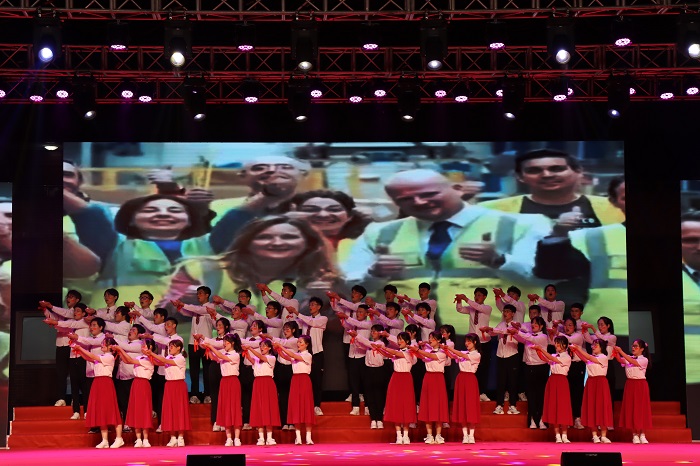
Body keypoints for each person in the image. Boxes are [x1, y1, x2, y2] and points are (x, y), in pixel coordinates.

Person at [341, 169, 552, 334]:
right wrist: (375, 274)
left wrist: (499, 260)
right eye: (405, 199)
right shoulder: (378, 233)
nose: (419, 202)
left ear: (458, 189)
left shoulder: (523, 225)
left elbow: (544, 279)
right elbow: (351, 289)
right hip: (408, 339)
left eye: (429, 194)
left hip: (498, 337)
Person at [162, 216, 337, 313]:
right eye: (264, 237)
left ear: (308, 244)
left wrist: (322, 304)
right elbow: (162, 315)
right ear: (247, 243)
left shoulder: (320, 277)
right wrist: (184, 304)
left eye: (289, 237)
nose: (277, 243)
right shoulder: (202, 269)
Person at [77, 194, 214, 308]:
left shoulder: (208, 246)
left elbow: (227, 226)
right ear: (131, 221)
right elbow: (91, 216)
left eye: (175, 210)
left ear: (190, 220)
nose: (163, 214)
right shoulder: (113, 247)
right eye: (149, 210)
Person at [534, 176, 629, 334]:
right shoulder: (593, 237)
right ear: (613, 202)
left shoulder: (677, 235)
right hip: (604, 330)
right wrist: (559, 232)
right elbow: (549, 271)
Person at [480, 149, 624, 228]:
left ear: (578, 171)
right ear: (520, 177)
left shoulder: (615, 206)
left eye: (557, 169)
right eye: (534, 171)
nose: (546, 175)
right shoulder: (492, 210)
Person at [70, 337, 124, 449]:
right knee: (101, 411)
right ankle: (105, 440)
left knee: (112, 410)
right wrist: (79, 350)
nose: (102, 345)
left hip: (106, 383)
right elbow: (88, 358)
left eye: (105, 343)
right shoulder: (102, 356)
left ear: (111, 347)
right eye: (102, 343)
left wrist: (81, 348)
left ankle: (119, 438)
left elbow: (93, 356)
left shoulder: (109, 357)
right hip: (98, 383)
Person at [286, 189, 372, 258]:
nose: (323, 215)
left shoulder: (367, 241)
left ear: (349, 216)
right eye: (311, 210)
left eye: (334, 210)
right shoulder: (285, 242)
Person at [43, 302, 90, 419]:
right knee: (74, 384)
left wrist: (55, 322)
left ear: (84, 313)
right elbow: (64, 327)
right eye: (75, 311)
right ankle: (76, 411)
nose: (75, 313)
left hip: (83, 357)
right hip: (73, 356)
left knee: (84, 385)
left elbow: (69, 323)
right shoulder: (74, 325)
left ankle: (87, 410)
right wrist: (53, 323)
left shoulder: (84, 322)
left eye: (78, 311)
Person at [171, 285, 216, 404]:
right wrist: (179, 307)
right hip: (193, 342)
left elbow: (197, 310)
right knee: (194, 370)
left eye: (200, 293)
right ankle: (194, 394)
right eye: (197, 293)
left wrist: (183, 304)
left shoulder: (210, 307)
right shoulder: (197, 309)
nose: (198, 295)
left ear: (207, 295)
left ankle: (208, 394)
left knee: (206, 370)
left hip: (205, 343)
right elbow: (187, 312)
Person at [373, 331, 417, 445]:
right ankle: (398, 435)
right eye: (398, 339)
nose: (399, 341)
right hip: (396, 379)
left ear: (407, 341)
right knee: (396, 406)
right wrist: (379, 349)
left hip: (406, 379)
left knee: (406, 406)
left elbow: (394, 352)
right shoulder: (398, 352)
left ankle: (406, 435)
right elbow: (390, 355)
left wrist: (383, 347)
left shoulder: (409, 352)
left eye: (401, 339)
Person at [39, 290, 82, 407]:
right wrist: (45, 310)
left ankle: (75, 399)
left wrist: (50, 307)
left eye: (71, 297)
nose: (68, 299)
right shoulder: (63, 313)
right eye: (68, 297)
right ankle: (61, 398)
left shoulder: (75, 313)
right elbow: (55, 318)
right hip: (60, 344)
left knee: (74, 374)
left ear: (77, 300)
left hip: (71, 346)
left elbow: (65, 323)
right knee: (61, 373)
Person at [144, 340, 190, 447]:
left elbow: (164, 360)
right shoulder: (169, 357)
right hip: (169, 385)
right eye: (170, 346)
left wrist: (152, 353)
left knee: (179, 410)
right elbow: (159, 362)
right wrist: (149, 356)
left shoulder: (180, 358)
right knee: (170, 411)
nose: (170, 348)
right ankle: (173, 437)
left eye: (172, 346)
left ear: (179, 348)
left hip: (178, 386)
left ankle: (180, 437)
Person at [113, 339, 157, 448]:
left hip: (144, 384)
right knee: (137, 410)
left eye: (144, 345)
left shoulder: (149, 359)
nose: (142, 347)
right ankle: (138, 439)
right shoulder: (139, 357)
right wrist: (119, 352)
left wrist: (120, 349)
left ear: (150, 347)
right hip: (136, 383)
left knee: (144, 410)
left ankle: (145, 439)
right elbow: (127, 361)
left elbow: (129, 360)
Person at [202, 334, 244, 447]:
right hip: (224, 382)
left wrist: (211, 347)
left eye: (227, 342)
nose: (224, 344)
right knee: (226, 409)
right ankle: (229, 438)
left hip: (233, 382)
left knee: (234, 408)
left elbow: (220, 355)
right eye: (224, 342)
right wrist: (207, 349)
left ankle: (237, 438)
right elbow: (215, 358)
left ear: (232, 343)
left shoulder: (235, 355)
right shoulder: (224, 354)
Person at [289, 296, 327, 416]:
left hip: (317, 353)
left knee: (317, 381)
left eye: (313, 304)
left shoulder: (323, 319)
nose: (311, 307)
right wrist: (291, 314)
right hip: (305, 353)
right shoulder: (304, 319)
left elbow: (312, 322)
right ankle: (306, 406)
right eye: (310, 304)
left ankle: (316, 405)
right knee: (306, 381)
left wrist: (297, 313)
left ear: (319, 307)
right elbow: (295, 324)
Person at [274, 335, 316, 445]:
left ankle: (308, 437)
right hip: (295, 381)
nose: (298, 344)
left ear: (306, 344)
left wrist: (280, 346)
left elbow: (292, 355)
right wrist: (278, 350)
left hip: (304, 380)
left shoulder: (307, 355)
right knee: (297, 407)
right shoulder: (296, 355)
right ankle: (298, 437)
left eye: (301, 342)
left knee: (306, 406)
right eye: (298, 342)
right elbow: (286, 357)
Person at [570, 340, 614, 443]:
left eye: (596, 345)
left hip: (601, 383)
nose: (593, 346)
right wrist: (575, 351)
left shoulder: (603, 357)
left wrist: (579, 348)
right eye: (593, 345)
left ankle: (603, 435)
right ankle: (594, 435)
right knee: (592, 408)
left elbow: (589, 358)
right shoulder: (592, 358)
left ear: (601, 347)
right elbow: (585, 359)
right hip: (591, 383)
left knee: (602, 408)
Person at [480, 304, 520, 415]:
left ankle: (513, 405)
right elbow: (494, 332)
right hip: (501, 355)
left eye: (508, 311)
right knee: (500, 381)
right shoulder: (501, 324)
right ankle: (499, 405)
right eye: (504, 311)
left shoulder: (516, 325)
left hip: (512, 355)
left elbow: (504, 331)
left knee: (512, 381)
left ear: (513, 313)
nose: (505, 313)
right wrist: (488, 330)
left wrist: (493, 329)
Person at [410, 331, 449, 445]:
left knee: (438, 406)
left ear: (439, 340)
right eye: (430, 338)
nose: (430, 340)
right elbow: (422, 356)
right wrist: (414, 350)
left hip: (438, 379)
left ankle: (438, 435)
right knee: (428, 405)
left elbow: (431, 356)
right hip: (428, 378)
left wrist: (417, 350)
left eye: (432, 338)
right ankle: (429, 435)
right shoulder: (427, 351)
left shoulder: (442, 353)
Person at [193, 317, 232, 431]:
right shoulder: (214, 339)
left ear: (226, 327)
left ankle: (225, 420)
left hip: (226, 367)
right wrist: (199, 340)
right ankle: (216, 420)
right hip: (214, 366)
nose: (218, 327)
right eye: (217, 325)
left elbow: (217, 344)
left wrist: (203, 337)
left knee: (225, 395)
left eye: (220, 325)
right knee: (214, 394)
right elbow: (205, 345)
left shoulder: (229, 338)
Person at [442, 333, 481, 444]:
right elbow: (454, 356)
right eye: (466, 341)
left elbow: (459, 354)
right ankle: (465, 435)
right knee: (462, 406)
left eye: (469, 341)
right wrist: (445, 350)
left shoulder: (477, 354)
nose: (466, 343)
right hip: (461, 379)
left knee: (471, 406)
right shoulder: (464, 352)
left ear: (474, 342)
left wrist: (449, 348)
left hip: (470, 380)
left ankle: (471, 435)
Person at [511, 316, 549, 429]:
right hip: (529, 367)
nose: (533, 325)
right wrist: (512, 332)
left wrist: (517, 331)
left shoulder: (543, 337)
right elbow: (521, 338)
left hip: (541, 368)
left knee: (540, 394)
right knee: (531, 395)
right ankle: (532, 419)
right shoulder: (529, 336)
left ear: (541, 326)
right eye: (532, 323)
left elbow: (531, 338)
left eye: (536, 324)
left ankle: (541, 419)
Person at [455, 288, 493, 401]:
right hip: (473, 344)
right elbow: (460, 309)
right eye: (475, 295)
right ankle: (473, 392)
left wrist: (465, 298)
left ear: (485, 297)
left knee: (483, 368)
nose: (477, 297)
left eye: (479, 295)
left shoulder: (487, 308)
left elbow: (478, 307)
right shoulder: (472, 308)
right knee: (472, 368)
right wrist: (459, 300)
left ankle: (482, 392)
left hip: (484, 342)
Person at [349, 324, 389, 429]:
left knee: (379, 396)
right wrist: (354, 338)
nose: (372, 333)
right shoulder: (369, 345)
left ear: (380, 333)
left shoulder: (381, 344)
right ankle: (373, 419)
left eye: (375, 331)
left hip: (379, 371)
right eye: (372, 331)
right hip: (368, 371)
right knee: (370, 396)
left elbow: (369, 344)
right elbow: (361, 345)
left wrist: (357, 335)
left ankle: (379, 419)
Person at [534, 336, 573, 443]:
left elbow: (552, 359)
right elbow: (545, 359)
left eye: (558, 343)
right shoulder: (554, 355)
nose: (556, 345)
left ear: (564, 345)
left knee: (563, 408)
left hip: (562, 382)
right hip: (552, 381)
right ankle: (557, 435)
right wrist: (538, 351)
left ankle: (564, 435)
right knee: (554, 407)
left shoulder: (567, 357)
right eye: (555, 343)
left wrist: (541, 349)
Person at [242, 339, 280, 446]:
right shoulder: (257, 359)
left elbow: (261, 357)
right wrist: (245, 351)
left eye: (264, 346)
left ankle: (270, 437)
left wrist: (250, 348)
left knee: (268, 409)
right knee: (259, 409)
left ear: (269, 347)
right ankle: (261, 437)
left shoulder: (271, 358)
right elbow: (251, 359)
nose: (262, 348)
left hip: (268, 384)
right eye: (261, 346)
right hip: (258, 384)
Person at [614, 340, 653, 444]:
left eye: (636, 346)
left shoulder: (644, 359)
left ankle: (643, 434)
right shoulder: (629, 357)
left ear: (642, 349)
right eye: (633, 346)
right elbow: (620, 360)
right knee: (632, 409)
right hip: (630, 385)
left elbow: (632, 361)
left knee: (642, 409)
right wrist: (616, 352)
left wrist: (621, 351)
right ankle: (634, 434)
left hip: (640, 385)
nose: (633, 348)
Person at [550, 317, 586, 430]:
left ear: (575, 326)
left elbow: (568, 340)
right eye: (565, 325)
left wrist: (556, 332)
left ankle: (577, 418)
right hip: (564, 366)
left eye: (570, 325)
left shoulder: (578, 336)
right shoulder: (560, 338)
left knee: (577, 392)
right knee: (566, 394)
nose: (567, 327)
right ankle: (567, 419)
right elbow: (553, 341)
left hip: (577, 365)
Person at [265, 321, 300, 430]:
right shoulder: (281, 341)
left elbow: (284, 343)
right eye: (284, 329)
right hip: (281, 368)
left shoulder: (295, 341)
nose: (285, 331)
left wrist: (270, 337)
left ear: (293, 330)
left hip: (291, 369)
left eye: (288, 329)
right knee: (282, 396)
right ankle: (284, 422)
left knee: (292, 396)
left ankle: (292, 422)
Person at [338, 304, 372, 415]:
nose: (358, 314)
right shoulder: (353, 324)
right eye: (357, 312)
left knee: (366, 383)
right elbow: (346, 325)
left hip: (363, 356)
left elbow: (358, 324)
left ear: (367, 314)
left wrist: (346, 317)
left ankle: (367, 406)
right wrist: (342, 318)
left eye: (361, 312)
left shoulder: (368, 323)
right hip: (352, 355)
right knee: (354, 383)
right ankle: (355, 406)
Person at [582, 317, 617, 402]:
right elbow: (587, 339)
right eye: (598, 325)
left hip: (607, 363)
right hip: (595, 363)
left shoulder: (612, 337)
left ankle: (609, 409)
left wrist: (593, 328)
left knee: (608, 389)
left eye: (602, 325)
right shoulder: (595, 336)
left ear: (608, 326)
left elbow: (604, 340)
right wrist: (585, 329)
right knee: (596, 391)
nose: (600, 327)